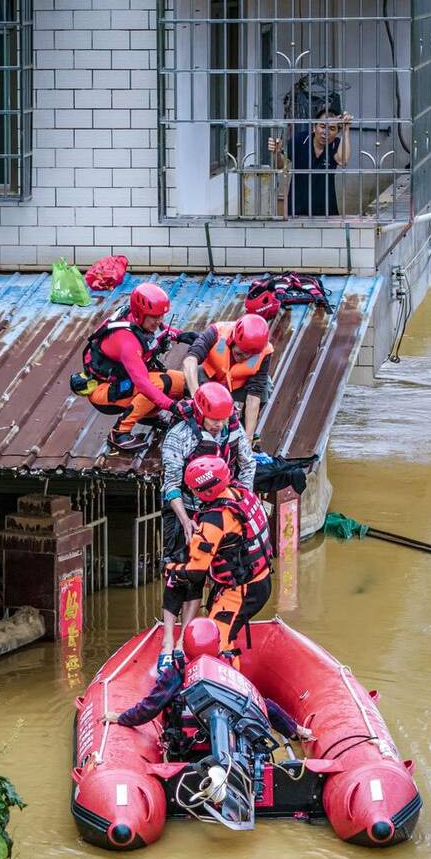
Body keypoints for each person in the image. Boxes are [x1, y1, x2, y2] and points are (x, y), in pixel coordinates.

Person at [159, 382, 256, 671]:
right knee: (178, 571)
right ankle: (167, 640)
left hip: (217, 510)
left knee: (200, 575)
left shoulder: (232, 430)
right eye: (214, 420)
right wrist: (185, 520)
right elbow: (171, 485)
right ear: (201, 413)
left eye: (223, 420)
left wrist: (240, 500)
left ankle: (184, 640)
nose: (218, 426)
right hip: (185, 508)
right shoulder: (179, 436)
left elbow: (247, 465)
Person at [102, 617, 313, 741]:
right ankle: (298, 731)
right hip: (230, 738)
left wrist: (121, 718)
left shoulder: (176, 670)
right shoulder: (225, 664)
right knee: (263, 704)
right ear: (217, 643)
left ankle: (296, 731)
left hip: (189, 745)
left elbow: (150, 707)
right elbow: (255, 701)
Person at [165, 456, 273, 659]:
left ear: (206, 491)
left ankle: (226, 685)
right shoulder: (241, 494)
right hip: (259, 578)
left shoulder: (214, 521)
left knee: (217, 645)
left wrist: (171, 569)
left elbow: (196, 573)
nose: (193, 493)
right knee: (224, 636)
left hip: (240, 590)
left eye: (194, 489)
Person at [70, 281, 189, 453]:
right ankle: (119, 433)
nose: (160, 321)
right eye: (155, 317)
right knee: (160, 384)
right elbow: (144, 384)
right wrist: (171, 406)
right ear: (140, 314)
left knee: (182, 382)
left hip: (124, 383)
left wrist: (183, 336)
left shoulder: (139, 321)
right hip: (106, 392)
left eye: (161, 316)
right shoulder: (127, 342)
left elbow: (159, 331)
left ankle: (149, 416)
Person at [182, 313, 273, 443]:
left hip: (237, 385)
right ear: (232, 340)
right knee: (189, 376)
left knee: (266, 388)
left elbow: (254, 396)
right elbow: (190, 360)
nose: (244, 358)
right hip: (210, 380)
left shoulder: (265, 351)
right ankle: (192, 418)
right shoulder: (216, 332)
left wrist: (248, 438)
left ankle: (241, 429)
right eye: (239, 353)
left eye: (249, 356)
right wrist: (196, 397)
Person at [268, 107, 353, 217]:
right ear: (314, 127)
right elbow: (280, 165)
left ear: (337, 132)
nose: (326, 132)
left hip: (326, 210)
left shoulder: (336, 144)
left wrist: (346, 130)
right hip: (297, 209)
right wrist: (276, 153)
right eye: (322, 127)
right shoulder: (299, 140)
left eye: (332, 129)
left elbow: (343, 160)